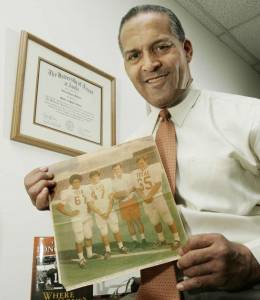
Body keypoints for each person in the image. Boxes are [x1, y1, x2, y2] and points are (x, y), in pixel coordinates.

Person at [24, 4, 260, 299]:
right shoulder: (128, 149)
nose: (149, 64)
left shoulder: (251, 117)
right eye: (134, 55)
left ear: (186, 50)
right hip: (148, 292)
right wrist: (60, 202)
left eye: (161, 47)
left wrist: (252, 260)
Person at [133, 156, 180, 249]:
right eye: (138, 164)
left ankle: (177, 239)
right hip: (146, 200)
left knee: (168, 219)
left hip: (157, 197)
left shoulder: (154, 168)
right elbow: (137, 188)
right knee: (155, 221)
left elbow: (158, 184)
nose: (140, 165)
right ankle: (162, 240)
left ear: (147, 161)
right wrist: (144, 197)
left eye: (142, 163)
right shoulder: (135, 173)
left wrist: (149, 196)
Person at [52, 174, 99, 268]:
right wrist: (70, 213)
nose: (77, 184)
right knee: (79, 239)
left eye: (78, 181)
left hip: (86, 216)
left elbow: (90, 200)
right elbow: (59, 207)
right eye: (75, 182)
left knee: (89, 235)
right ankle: (81, 258)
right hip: (77, 218)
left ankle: (89, 254)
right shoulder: (67, 192)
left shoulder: (84, 189)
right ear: (71, 183)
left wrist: (89, 208)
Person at [87, 170, 128, 259]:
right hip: (99, 213)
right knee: (104, 232)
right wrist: (101, 213)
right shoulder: (88, 188)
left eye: (96, 176)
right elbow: (90, 204)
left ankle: (121, 246)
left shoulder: (106, 183)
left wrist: (108, 211)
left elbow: (111, 198)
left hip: (110, 210)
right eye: (93, 176)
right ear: (90, 178)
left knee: (115, 229)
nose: (95, 178)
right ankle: (108, 250)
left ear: (99, 176)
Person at [111, 163, 146, 248]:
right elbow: (114, 194)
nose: (117, 171)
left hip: (131, 200)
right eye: (115, 170)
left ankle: (143, 239)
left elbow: (134, 187)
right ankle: (135, 241)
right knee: (129, 222)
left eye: (118, 169)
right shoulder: (113, 182)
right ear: (113, 171)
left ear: (121, 169)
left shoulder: (128, 176)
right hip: (122, 202)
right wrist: (123, 194)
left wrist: (126, 192)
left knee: (137, 219)